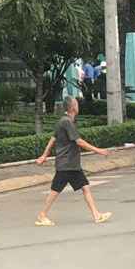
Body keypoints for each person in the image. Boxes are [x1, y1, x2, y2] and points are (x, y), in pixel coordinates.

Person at [34, 96, 113, 226]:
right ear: (72, 107)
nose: (78, 106)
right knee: (55, 191)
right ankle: (42, 215)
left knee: (85, 188)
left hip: (72, 164)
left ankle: (96, 215)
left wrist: (44, 155)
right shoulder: (66, 122)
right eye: (76, 104)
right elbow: (79, 141)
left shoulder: (64, 121)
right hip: (66, 164)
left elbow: (53, 139)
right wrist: (98, 150)